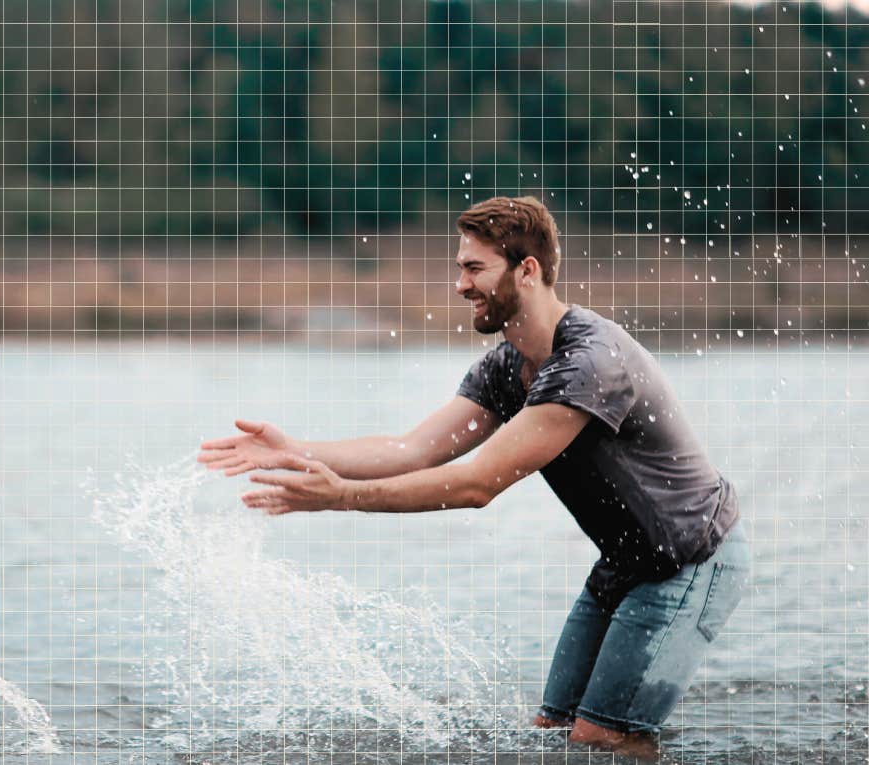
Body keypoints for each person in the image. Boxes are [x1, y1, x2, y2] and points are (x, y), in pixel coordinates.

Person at [198, 196, 750, 760]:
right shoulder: (508, 365)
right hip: (625, 562)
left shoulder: (589, 362)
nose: (460, 284)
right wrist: (297, 451)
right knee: (554, 735)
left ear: (527, 271)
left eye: (474, 268)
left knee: (604, 739)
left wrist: (341, 497)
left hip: (690, 559)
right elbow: (412, 450)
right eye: (460, 268)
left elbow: (475, 485)